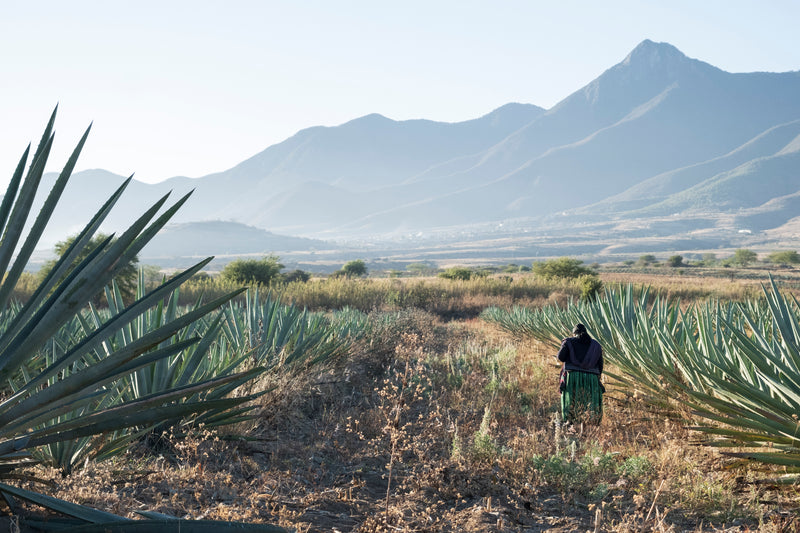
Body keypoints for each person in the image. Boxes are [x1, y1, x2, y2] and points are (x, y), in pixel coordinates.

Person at [557, 323, 604, 424]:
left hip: (573, 377)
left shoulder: (568, 342)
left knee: (572, 398)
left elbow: (560, 357)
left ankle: (570, 422)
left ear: (574, 333)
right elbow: (600, 365)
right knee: (588, 401)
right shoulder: (596, 345)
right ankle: (589, 422)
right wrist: (596, 377)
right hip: (591, 378)